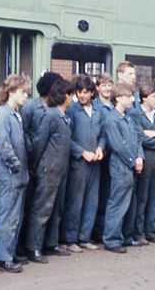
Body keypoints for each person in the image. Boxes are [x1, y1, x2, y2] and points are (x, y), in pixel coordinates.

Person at [25, 79, 74, 263]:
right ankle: (34, 247)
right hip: (49, 168)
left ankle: (51, 243)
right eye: (71, 95)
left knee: (56, 208)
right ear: (65, 96)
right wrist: (35, 165)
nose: (73, 99)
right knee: (42, 208)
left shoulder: (64, 116)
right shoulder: (51, 115)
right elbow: (39, 142)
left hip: (60, 168)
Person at [0, 74, 32, 273]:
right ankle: (3, 257)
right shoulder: (2, 114)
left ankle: (10, 251)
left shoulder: (16, 114)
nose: (26, 96)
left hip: (19, 173)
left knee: (15, 215)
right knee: (7, 215)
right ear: (11, 92)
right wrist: (16, 165)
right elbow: (4, 145)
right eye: (23, 92)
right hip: (11, 174)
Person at [62, 75, 105, 253]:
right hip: (78, 164)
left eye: (86, 92)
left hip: (95, 163)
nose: (82, 95)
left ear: (92, 93)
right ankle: (71, 239)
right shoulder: (72, 111)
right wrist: (82, 152)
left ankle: (84, 237)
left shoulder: (99, 110)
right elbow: (67, 139)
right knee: (75, 201)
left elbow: (103, 133)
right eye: (79, 92)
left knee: (91, 201)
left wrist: (101, 147)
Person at [125, 82, 155, 245]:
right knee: (142, 197)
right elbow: (137, 135)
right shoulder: (136, 113)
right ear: (144, 98)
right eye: (153, 96)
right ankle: (139, 233)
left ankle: (152, 231)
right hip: (144, 157)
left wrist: (154, 134)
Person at [102, 84, 144, 253]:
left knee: (129, 203)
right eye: (128, 96)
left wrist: (140, 156)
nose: (132, 99)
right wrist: (134, 161)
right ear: (119, 98)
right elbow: (118, 146)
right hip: (121, 167)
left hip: (129, 166)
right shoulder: (112, 119)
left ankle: (126, 236)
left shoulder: (127, 118)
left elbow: (137, 139)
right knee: (117, 203)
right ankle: (111, 240)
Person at [91, 72, 115, 242]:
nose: (107, 89)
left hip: (114, 155)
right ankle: (98, 231)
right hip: (101, 155)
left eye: (109, 85)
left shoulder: (114, 105)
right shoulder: (96, 107)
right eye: (104, 85)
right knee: (100, 194)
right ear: (97, 88)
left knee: (110, 194)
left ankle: (107, 228)